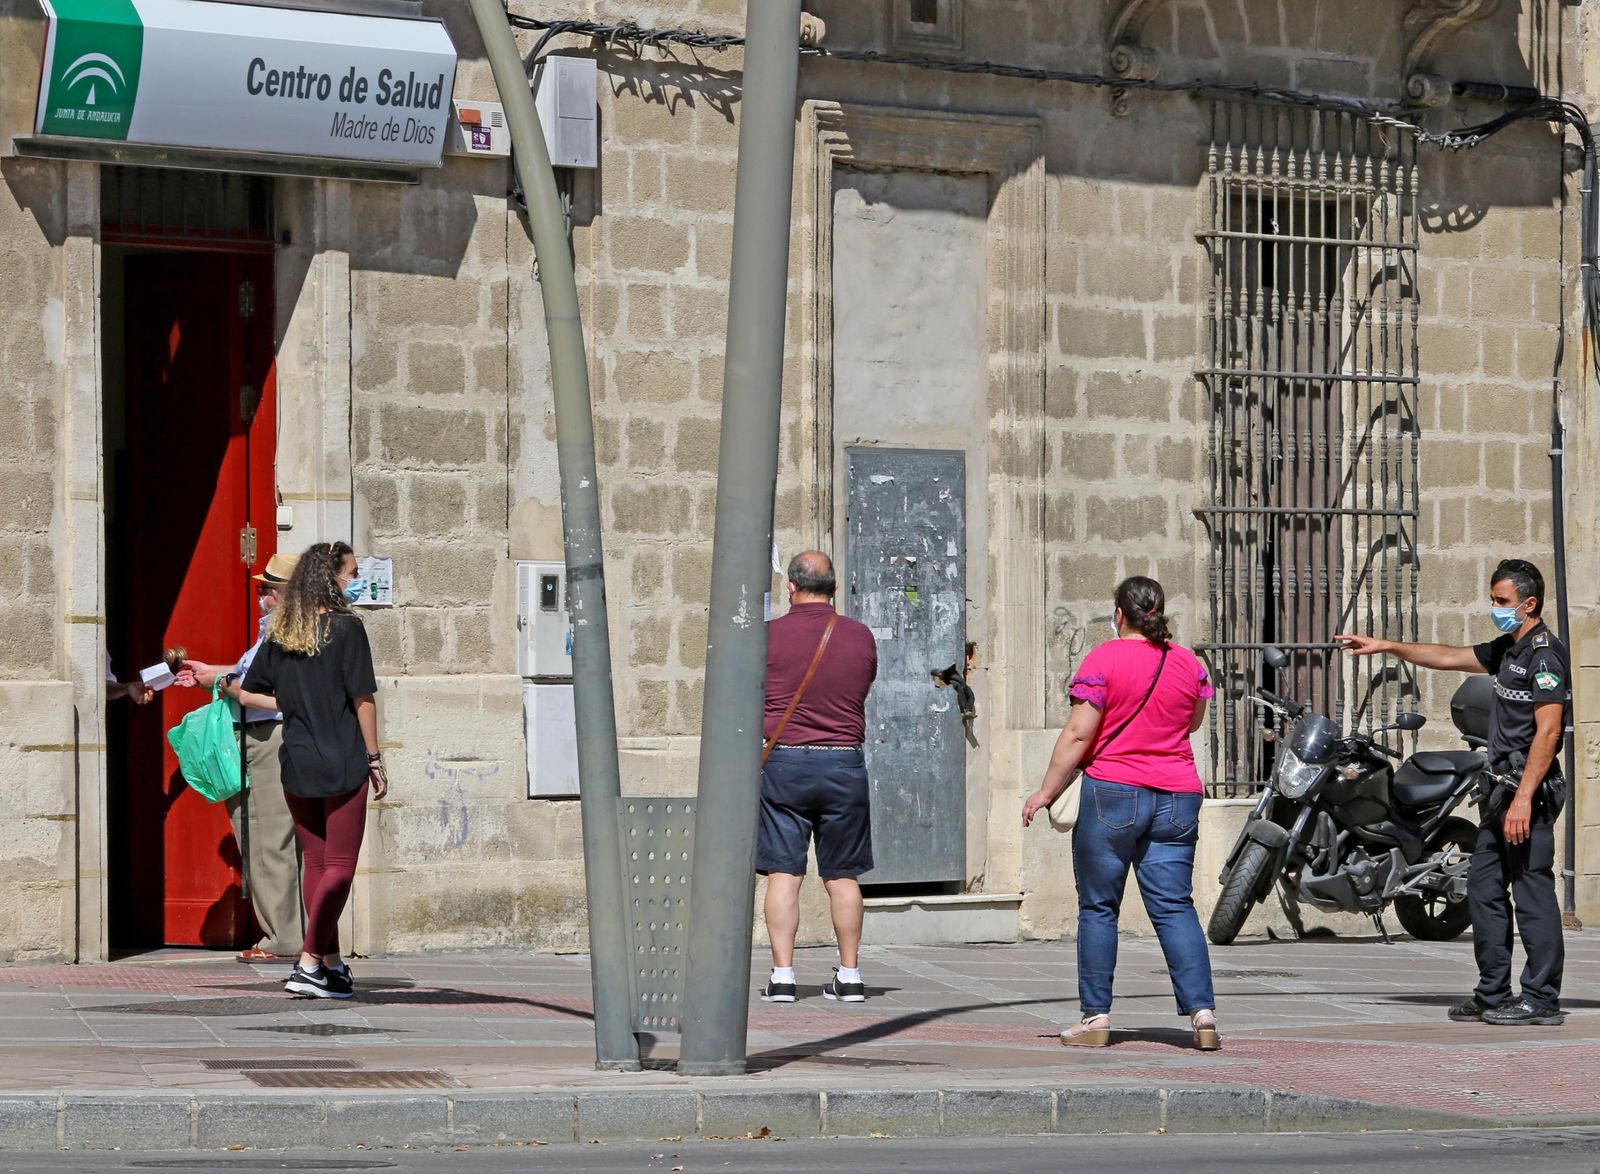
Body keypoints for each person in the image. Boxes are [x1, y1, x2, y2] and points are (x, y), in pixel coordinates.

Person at [1336, 557, 1568, 1027]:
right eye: (1493, 599)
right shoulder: (1508, 649)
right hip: (1500, 791)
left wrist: (1524, 797)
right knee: (1482, 889)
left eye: (1502, 601)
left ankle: (1541, 999)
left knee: (1533, 894)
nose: (1494, 608)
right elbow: (1446, 656)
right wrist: (1387, 646)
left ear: (1529, 603)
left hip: (1528, 793)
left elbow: (1548, 733)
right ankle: (1492, 992)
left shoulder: (1545, 655)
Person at [1022, 576, 1220, 1050]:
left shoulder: (1103, 659)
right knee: (1174, 906)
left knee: (1099, 907)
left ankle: (1095, 1019)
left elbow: (1077, 735)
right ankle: (1203, 1014)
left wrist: (1044, 792)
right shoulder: (1188, 661)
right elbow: (1191, 722)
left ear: (1119, 615)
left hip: (1114, 792)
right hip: (1177, 795)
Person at [239, 542, 386, 1000]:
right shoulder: (347, 628)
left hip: (296, 757)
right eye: (350, 573)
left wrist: (298, 704)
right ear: (332, 577)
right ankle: (307, 963)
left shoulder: (283, 630)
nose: (353, 580)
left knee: (317, 865)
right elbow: (362, 698)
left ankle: (331, 963)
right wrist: (376, 758)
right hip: (341, 754)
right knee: (340, 866)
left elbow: (248, 693)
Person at [757, 551, 878, 1003]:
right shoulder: (860, 637)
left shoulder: (768, 637)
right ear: (834, 586)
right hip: (843, 763)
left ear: (791, 587)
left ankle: (784, 977)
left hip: (785, 762)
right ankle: (850, 975)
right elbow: (861, 688)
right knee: (842, 875)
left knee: (783, 874)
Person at [179, 551, 304, 962]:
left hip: (267, 735)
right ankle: (283, 932)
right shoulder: (272, 630)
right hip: (255, 733)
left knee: (269, 837)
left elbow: (262, 687)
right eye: (260, 588)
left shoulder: (287, 631)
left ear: (283, 594)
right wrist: (212, 673)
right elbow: (247, 674)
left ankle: (284, 938)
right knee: (257, 836)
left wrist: (224, 681)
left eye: (265, 588)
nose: (260, 595)